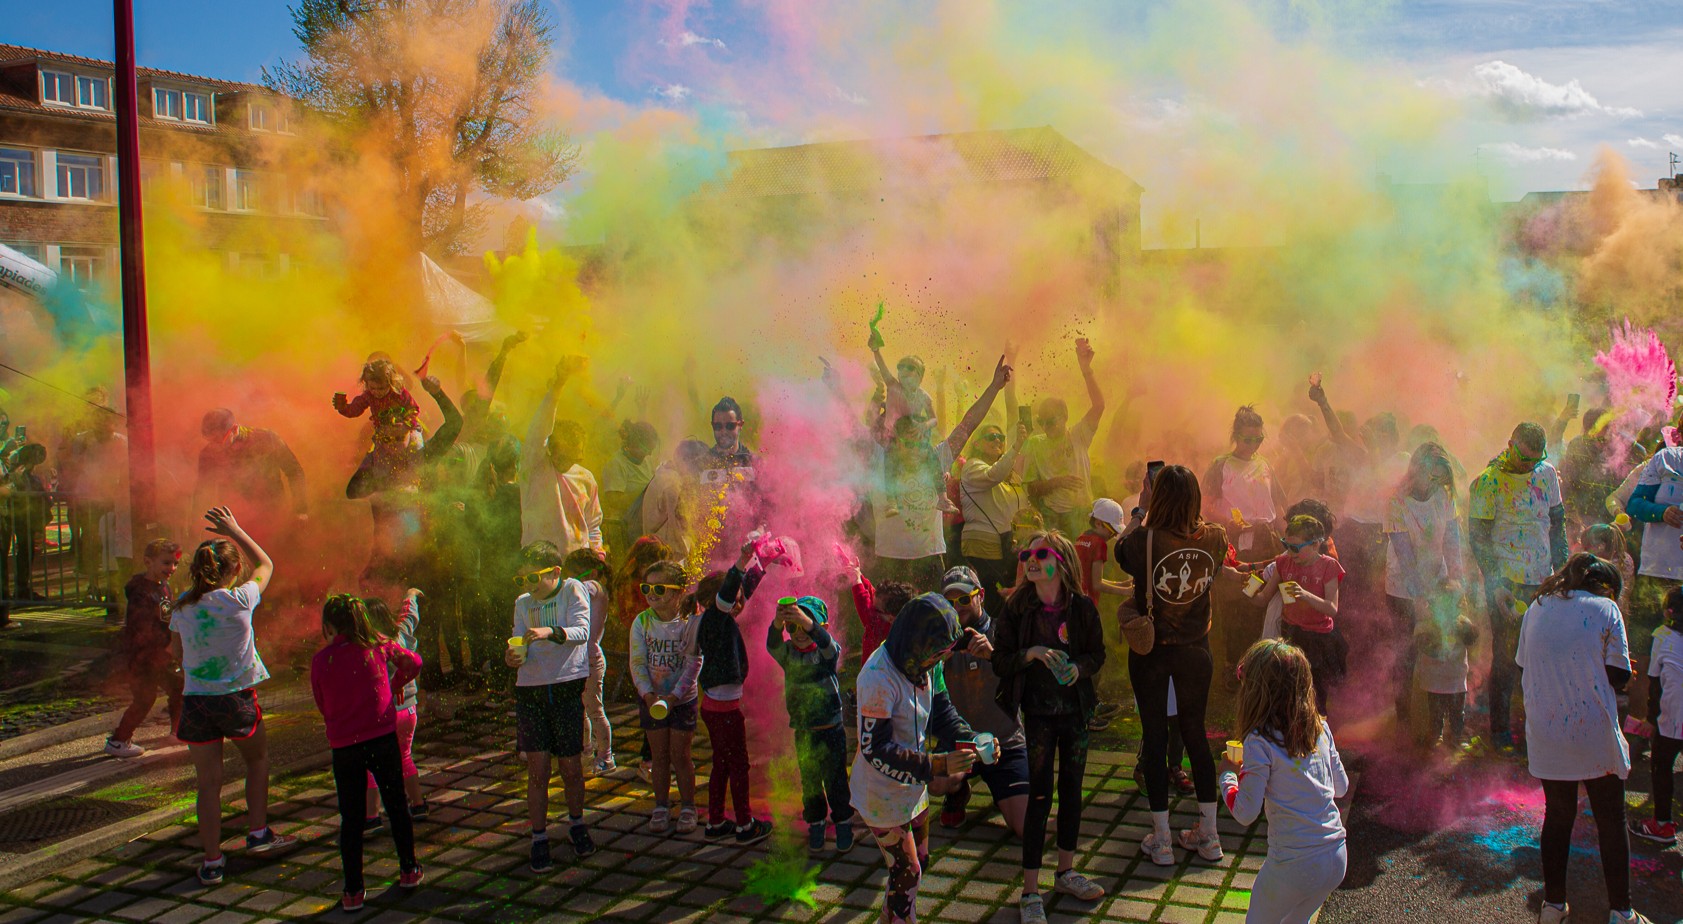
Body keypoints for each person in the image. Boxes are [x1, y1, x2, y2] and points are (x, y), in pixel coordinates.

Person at [1515, 553, 1651, 924]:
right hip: (1591, 729)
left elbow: (1525, 663)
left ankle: (1553, 907)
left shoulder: (1537, 607)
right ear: (1605, 585)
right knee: (1610, 818)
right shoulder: (1606, 609)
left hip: (1547, 729)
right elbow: (1619, 676)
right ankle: (1622, 913)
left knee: (1557, 816)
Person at [1119, 464, 1237, 867]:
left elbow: (1120, 551)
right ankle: (1209, 836)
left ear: (1158, 496)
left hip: (1152, 653)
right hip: (1196, 651)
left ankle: (1163, 839)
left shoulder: (1143, 541)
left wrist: (1139, 511)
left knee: (1154, 739)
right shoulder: (1217, 537)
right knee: (1196, 737)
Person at [169, 507, 295, 885]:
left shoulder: (182, 606)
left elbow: (175, 656)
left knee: (207, 783)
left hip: (196, 701)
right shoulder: (241, 599)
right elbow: (267, 563)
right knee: (257, 762)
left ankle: (211, 862)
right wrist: (237, 530)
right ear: (233, 571)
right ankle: (257, 834)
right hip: (236, 697)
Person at [991, 531, 1107, 922]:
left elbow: (1097, 653)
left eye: (1042, 553)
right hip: (1037, 716)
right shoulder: (1017, 607)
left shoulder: (1083, 609)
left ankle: (1066, 872)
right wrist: (1032, 653)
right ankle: (1029, 892)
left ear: (1063, 561)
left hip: (1075, 713)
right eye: (1027, 554)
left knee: (1072, 791)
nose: (1032, 560)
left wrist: (1078, 668)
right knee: (1040, 798)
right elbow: (1000, 661)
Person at [852, 592, 973, 924]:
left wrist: (970, 739)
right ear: (916, 641)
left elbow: (944, 710)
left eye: (942, 655)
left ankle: (891, 917)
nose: (938, 662)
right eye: (936, 654)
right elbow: (875, 749)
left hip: (912, 787)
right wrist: (936, 766)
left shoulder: (925, 662)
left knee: (919, 861)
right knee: (908, 873)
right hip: (882, 794)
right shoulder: (878, 676)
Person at [1219, 639, 1350, 924]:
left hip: (1292, 867)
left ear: (1256, 691)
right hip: (1336, 857)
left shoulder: (1259, 741)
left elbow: (1244, 813)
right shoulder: (1321, 728)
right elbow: (1341, 788)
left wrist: (1228, 775)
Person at [309, 594, 424, 912]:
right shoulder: (379, 645)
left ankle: (353, 891)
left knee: (351, 818)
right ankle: (409, 869)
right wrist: (397, 681)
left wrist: (337, 721)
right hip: (381, 738)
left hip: (344, 746)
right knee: (396, 806)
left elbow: (321, 701)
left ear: (330, 625)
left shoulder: (323, 659)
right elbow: (413, 661)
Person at [1469, 422, 1567, 753]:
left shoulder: (1547, 473)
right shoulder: (1489, 480)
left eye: (1535, 460)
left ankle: (1535, 730)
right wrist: (1494, 583)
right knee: (1507, 657)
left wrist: (1562, 571)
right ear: (1510, 444)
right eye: (1524, 458)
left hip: (1542, 578)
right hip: (1506, 581)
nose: (1528, 466)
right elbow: (1478, 538)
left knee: (1540, 656)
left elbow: (1557, 524)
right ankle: (1499, 732)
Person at [873, 356, 1013, 588]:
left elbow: (968, 424)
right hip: (889, 559)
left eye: (918, 439)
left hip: (929, 558)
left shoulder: (937, 457)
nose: (913, 446)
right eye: (906, 440)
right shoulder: (880, 458)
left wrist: (995, 386)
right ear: (894, 439)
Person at [504, 540, 597, 871]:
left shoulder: (572, 590)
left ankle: (576, 824)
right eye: (521, 580)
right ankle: (539, 837)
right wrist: (512, 657)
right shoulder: (522, 603)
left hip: (565, 686)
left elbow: (583, 631)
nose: (527, 587)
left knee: (571, 767)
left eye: (533, 578)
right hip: (530, 690)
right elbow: (517, 643)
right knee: (537, 769)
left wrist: (547, 631)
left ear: (555, 572)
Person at [695, 538, 775, 845]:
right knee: (739, 766)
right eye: (735, 600)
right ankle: (745, 825)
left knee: (722, 764)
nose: (741, 605)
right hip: (725, 711)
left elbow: (740, 592)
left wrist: (762, 565)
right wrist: (742, 561)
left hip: (717, 707)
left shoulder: (719, 618)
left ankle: (716, 821)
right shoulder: (715, 620)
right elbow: (731, 592)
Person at [1383, 442, 1463, 729]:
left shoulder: (1443, 496)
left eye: (1441, 478)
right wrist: (1420, 599)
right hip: (1403, 590)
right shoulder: (1396, 503)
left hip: (1438, 583)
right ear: (1415, 470)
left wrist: (1457, 578)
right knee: (1406, 651)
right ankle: (1403, 716)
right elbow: (1405, 558)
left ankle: (1436, 718)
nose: (1436, 483)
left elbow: (1453, 540)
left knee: (1438, 649)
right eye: (1432, 476)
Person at [1203, 406, 1285, 684]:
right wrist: (1227, 521)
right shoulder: (1221, 465)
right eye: (1248, 439)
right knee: (1238, 601)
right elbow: (1204, 505)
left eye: (1258, 440)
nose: (1253, 445)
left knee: (1263, 599)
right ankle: (1233, 663)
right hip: (1237, 545)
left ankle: (1260, 660)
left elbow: (1279, 507)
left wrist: (1288, 544)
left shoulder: (1265, 466)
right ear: (1236, 436)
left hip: (1265, 544)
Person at [767, 595, 854, 854]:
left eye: (806, 627)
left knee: (837, 781)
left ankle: (843, 823)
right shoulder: (788, 654)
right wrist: (778, 622)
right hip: (804, 732)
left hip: (831, 731)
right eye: (793, 628)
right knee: (811, 782)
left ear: (820, 628)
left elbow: (829, 645)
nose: (800, 633)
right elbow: (772, 644)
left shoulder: (825, 654)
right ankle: (816, 822)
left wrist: (807, 623)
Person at [629, 559, 701, 835]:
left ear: (678, 591)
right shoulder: (642, 622)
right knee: (658, 756)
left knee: (680, 755)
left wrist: (673, 697)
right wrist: (647, 695)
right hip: (651, 699)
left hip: (681, 701)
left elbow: (694, 663)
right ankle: (661, 805)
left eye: (659, 589)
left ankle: (688, 806)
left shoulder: (690, 621)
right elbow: (637, 662)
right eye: (646, 587)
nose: (650, 594)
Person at [105, 538, 185, 759]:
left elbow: (166, 617)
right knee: (145, 698)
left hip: (161, 654)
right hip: (144, 657)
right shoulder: (141, 593)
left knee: (178, 688)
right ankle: (118, 740)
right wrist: (163, 646)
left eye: (175, 564)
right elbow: (142, 629)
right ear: (148, 562)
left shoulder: (163, 587)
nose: (172, 569)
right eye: (166, 563)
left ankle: (177, 732)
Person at [1259, 515, 1346, 714]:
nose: (1290, 552)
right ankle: (1291, 733)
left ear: (1315, 545)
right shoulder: (1284, 562)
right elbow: (1263, 598)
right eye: (1286, 545)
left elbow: (1332, 609)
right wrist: (1247, 591)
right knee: (1289, 687)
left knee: (1315, 693)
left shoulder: (1328, 566)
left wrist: (1304, 594)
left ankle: (1317, 736)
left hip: (1318, 639)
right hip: (1291, 633)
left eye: (1296, 547)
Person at [1022, 338, 1105, 539]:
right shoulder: (1036, 443)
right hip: (1052, 516)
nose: (1046, 426)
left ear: (1065, 417)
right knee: (1055, 564)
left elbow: (1099, 405)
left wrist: (1086, 369)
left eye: (1051, 421)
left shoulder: (1079, 435)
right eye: (1042, 422)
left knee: (1081, 563)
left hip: (1081, 512)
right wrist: (1056, 482)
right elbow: (1030, 488)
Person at [521, 358, 604, 556]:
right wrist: (558, 386)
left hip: (577, 566)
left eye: (577, 457)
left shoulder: (586, 478)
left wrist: (597, 555)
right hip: (540, 562)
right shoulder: (535, 467)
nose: (572, 463)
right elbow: (538, 430)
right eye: (567, 457)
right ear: (552, 449)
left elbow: (593, 524)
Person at [361, 590, 428, 822]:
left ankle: (371, 817)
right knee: (405, 756)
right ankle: (418, 805)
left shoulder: (368, 648)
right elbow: (409, 617)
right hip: (408, 711)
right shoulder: (400, 636)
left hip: (381, 716)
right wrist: (410, 596)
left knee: (370, 764)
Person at [958, 421, 1031, 614]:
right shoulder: (972, 467)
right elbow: (993, 475)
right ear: (976, 444)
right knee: (992, 597)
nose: (997, 440)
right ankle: (988, 638)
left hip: (1007, 542)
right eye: (991, 437)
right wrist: (1016, 446)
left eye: (1001, 438)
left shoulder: (1007, 471)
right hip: (983, 543)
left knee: (1007, 595)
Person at [191, 409, 308, 527]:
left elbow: (294, 471)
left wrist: (300, 511)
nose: (214, 446)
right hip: (233, 520)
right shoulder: (208, 454)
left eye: (218, 440)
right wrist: (196, 521)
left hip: (273, 514)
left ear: (234, 429)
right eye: (210, 441)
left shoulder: (266, 438)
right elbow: (202, 489)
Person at [1624, 439, 1683, 667]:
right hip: (1656, 570)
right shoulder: (1666, 459)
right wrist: (1661, 513)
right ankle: (1641, 700)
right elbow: (1635, 504)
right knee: (1645, 647)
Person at [1631, 586, 1683, 844]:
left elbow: (1656, 683)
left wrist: (1651, 720)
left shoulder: (1662, 636)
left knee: (1662, 765)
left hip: (1673, 718)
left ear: (1669, 612)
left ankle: (1661, 824)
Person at [336, 357, 424, 499]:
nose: (377, 392)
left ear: (391, 382)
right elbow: (355, 410)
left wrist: (404, 424)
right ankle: (383, 488)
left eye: (381, 388)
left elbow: (414, 409)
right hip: (384, 437)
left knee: (418, 449)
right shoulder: (368, 396)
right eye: (372, 388)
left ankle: (417, 482)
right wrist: (343, 408)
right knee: (380, 462)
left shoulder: (399, 393)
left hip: (409, 431)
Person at [564, 549, 616, 775]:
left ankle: (606, 757)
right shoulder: (587, 588)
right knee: (579, 711)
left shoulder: (594, 587)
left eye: (574, 574)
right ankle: (585, 752)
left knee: (595, 711)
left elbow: (580, 589)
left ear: (591, 572)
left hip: (591, 660)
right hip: (577, 659)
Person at [1414, 614, 1479, 750]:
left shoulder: (1462, 620)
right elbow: (1419, 641)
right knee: (1436, 712)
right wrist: (1432, 640)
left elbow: (1472, 638)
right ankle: (1437, 736)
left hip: (1455, 677)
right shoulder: (1429, 621)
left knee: (1457, 712)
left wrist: (1466, 628)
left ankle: (1457, 735)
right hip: (1435, 677)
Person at [601, 420, 659, 557]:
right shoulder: (616, 464)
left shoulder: (647, 461)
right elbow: (614, 500)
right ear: (632, 444)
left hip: (642, 525)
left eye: (651, 450)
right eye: (646, 450)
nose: (649, 454)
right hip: (623, 530)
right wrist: (645, 493)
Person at [849, 568, 915, 664]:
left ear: (891, 618)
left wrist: (856, 581)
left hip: (873, 678)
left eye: (874, 610)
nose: (872, 610)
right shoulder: (899, 622)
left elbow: (865, 609)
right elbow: (873, 594)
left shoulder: (881, 629)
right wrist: (859, 575)